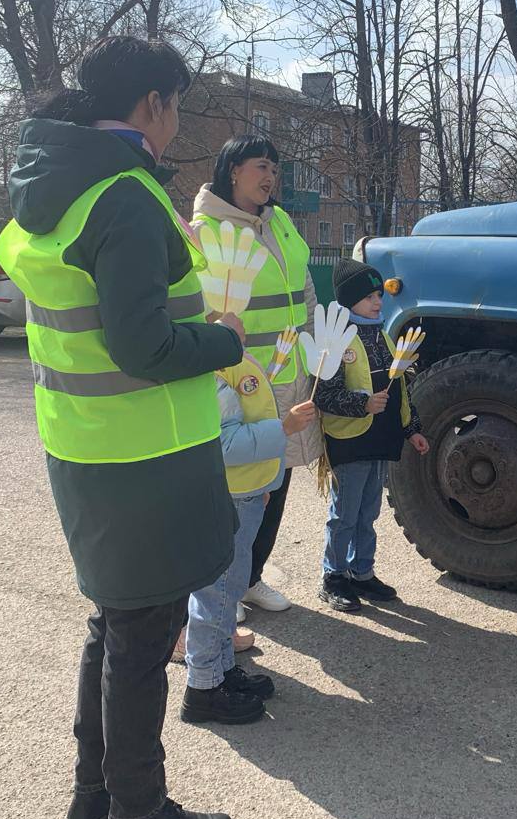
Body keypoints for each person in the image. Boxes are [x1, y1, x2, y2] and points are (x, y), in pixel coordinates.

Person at [0, 35, 246, 819]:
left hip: (85, 449)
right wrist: (222, 341)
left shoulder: (54, 188)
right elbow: (143, 347)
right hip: (146, 461)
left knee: (114, 629)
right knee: (141, 643)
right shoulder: (126, 196)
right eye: (175, 107)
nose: (176, 125)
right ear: (152, 106)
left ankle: (93, 803)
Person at [192, 137, 320, 616]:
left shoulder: (279, 221)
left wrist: (309, 352)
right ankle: (218, 585)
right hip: (237, 382)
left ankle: (249, 578)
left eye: (276, 169)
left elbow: (303, 288)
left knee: (275, 482)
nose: (271, 178)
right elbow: (198, 308)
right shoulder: (206, 229)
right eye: (261, 166)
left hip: (286, 376)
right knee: (236, 489)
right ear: (232, 171)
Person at [180, 354, 317, 724]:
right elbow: (223, 444)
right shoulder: (211, 375)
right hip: (231, 498)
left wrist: (262, 484)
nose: (241, 324)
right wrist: (285, 428)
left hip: (244, 495)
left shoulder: (228, 365)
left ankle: (222, 672)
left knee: (229, 589)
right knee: (217, 594)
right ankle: (203, 687)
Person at [312, 259, 429, 612]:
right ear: (349, 301)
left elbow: (401, 390)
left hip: (380, 439)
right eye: (368, 297)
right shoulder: (336, 338)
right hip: (350, 441)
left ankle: (362, 572)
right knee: (344, 512)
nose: (378, 302)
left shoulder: (381, 334)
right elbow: (323, 394)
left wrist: (411, 430)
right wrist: (362, 404)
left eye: (379, 294)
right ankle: (334, 576)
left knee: (367, 512)